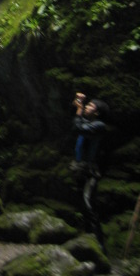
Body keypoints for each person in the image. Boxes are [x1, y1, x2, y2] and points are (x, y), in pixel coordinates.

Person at [72, 92, 109, 249]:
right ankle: (89, 242)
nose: (87, 106)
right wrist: (80, 101)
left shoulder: (99, 126)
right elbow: (80, 125)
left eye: (91, 105)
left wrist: (79, 110)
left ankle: (99, 246)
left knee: (88, 204)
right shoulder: (88, 122)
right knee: (82, 204)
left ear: (97, 112)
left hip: (90, 171)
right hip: (81, 169)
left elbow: (80, 128)